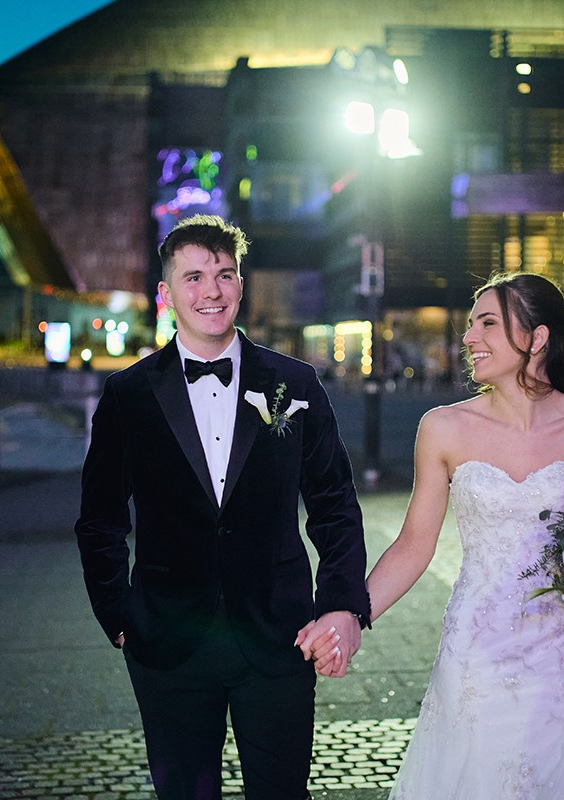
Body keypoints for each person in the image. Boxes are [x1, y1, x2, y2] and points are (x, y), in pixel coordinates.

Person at [75, 214, 371, 800]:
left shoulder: (297, 385)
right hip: (167, 640)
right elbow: (100, 519)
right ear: (166, 294)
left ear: (241, 285)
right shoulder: (127, 396)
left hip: (279, 635)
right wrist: (118, 612)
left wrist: (341, 605)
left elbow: (335, 505)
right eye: (194, 277)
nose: (211, 291)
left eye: (224, 275)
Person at [334, 272, 564, 798]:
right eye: (471, 325)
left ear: (537, 338)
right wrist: (350, 618)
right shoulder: (443, 427)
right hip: (475, 658)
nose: (469, 337)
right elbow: (413, 545)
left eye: (488, 323)